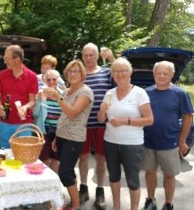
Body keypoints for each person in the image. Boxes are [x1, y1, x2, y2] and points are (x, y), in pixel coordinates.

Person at [97, 57, 154, 210]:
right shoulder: (109, 93)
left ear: (130, 73)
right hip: (110, 141)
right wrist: (102, 110)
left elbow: (149, 120)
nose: (120, 74)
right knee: (114, 177)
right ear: (112, 75)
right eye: (116, 71)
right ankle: (116, 207)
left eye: (123, 71)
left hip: (132, 144)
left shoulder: (139, 93)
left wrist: (125, 121)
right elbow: (101, 119)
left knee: (132, 180)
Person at [142, 61, 193, 210]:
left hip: (170, 143)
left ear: (172, 74)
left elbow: (188, 117)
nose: (161, 76)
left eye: (165, 73)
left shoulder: (180, 93)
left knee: (170, 176)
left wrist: (182, 140)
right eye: (158, 73)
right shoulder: (146, 92)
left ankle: (169, 203)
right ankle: (150, 200)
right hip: (148, 142)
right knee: (150, 173)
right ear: (153, 74)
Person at [44, 60, 93, 210]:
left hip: (74, 138)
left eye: (76, 71)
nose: (72, 74)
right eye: (70, 71)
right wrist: (57, 137)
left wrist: (58, 97)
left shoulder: (85, 92)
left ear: (82, 73)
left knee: (65, 173)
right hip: (62, 136)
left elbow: (72, 112)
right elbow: (63, 116)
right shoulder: (66, 91)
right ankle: (74, 201)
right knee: (69, 171)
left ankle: (76, 206)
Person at [79, 43, 115, 210]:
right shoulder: (79, 74)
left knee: (101, 159)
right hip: (83, 124)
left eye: (91, 55)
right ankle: (83, 188)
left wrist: (112, 58)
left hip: (103, 124)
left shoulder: (107, 72)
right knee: (83, 158)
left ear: (96, 55)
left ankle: (100, 190)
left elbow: (122, 78)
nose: (88, 58)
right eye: (85, 55)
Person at [0, 45, 38, 148]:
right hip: (5, 123)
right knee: (5, 152)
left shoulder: (32, 76)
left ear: (17, 59)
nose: (4, 61)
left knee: (24, 153)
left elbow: (32, 101)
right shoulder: (2, 75)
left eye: (7, 59)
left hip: (24, 124)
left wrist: (25, 107)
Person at [33, 69, 62, 172]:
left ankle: (55, 183)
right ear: (45, 81)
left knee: (56, 159)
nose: (51, 82)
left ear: (58, 80)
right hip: (44, 130)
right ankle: (46, 183)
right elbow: (35, 113)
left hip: (59, 131)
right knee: (44, 159)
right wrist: (38, 100)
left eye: (54, 79)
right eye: (48, 80)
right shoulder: (41, 93)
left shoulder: (63, 94)